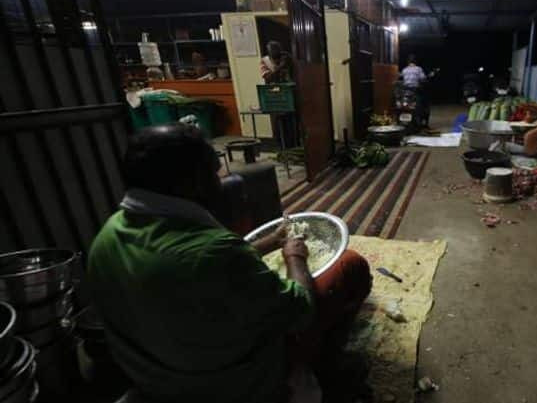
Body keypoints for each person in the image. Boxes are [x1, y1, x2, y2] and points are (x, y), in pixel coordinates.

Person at [88, 124, 372, 403]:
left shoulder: (107, 236)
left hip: (156, 380)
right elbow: (301, 310)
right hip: (231, 386)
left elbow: (192, 264)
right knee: (351, 265)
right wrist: (295, 256)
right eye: (214, 173)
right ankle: (324, 366)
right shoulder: (215, 253)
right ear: (190, 183)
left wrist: (271, 242)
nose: (222, 180)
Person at [399, 54, 429, 127]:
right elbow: (423, 79)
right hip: (416, 91)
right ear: (416, 61)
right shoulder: (418, 69)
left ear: (408, 62)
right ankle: (423, 121)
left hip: (405, 92)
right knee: (425, 104)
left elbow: (401, 77)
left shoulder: (404, 69)